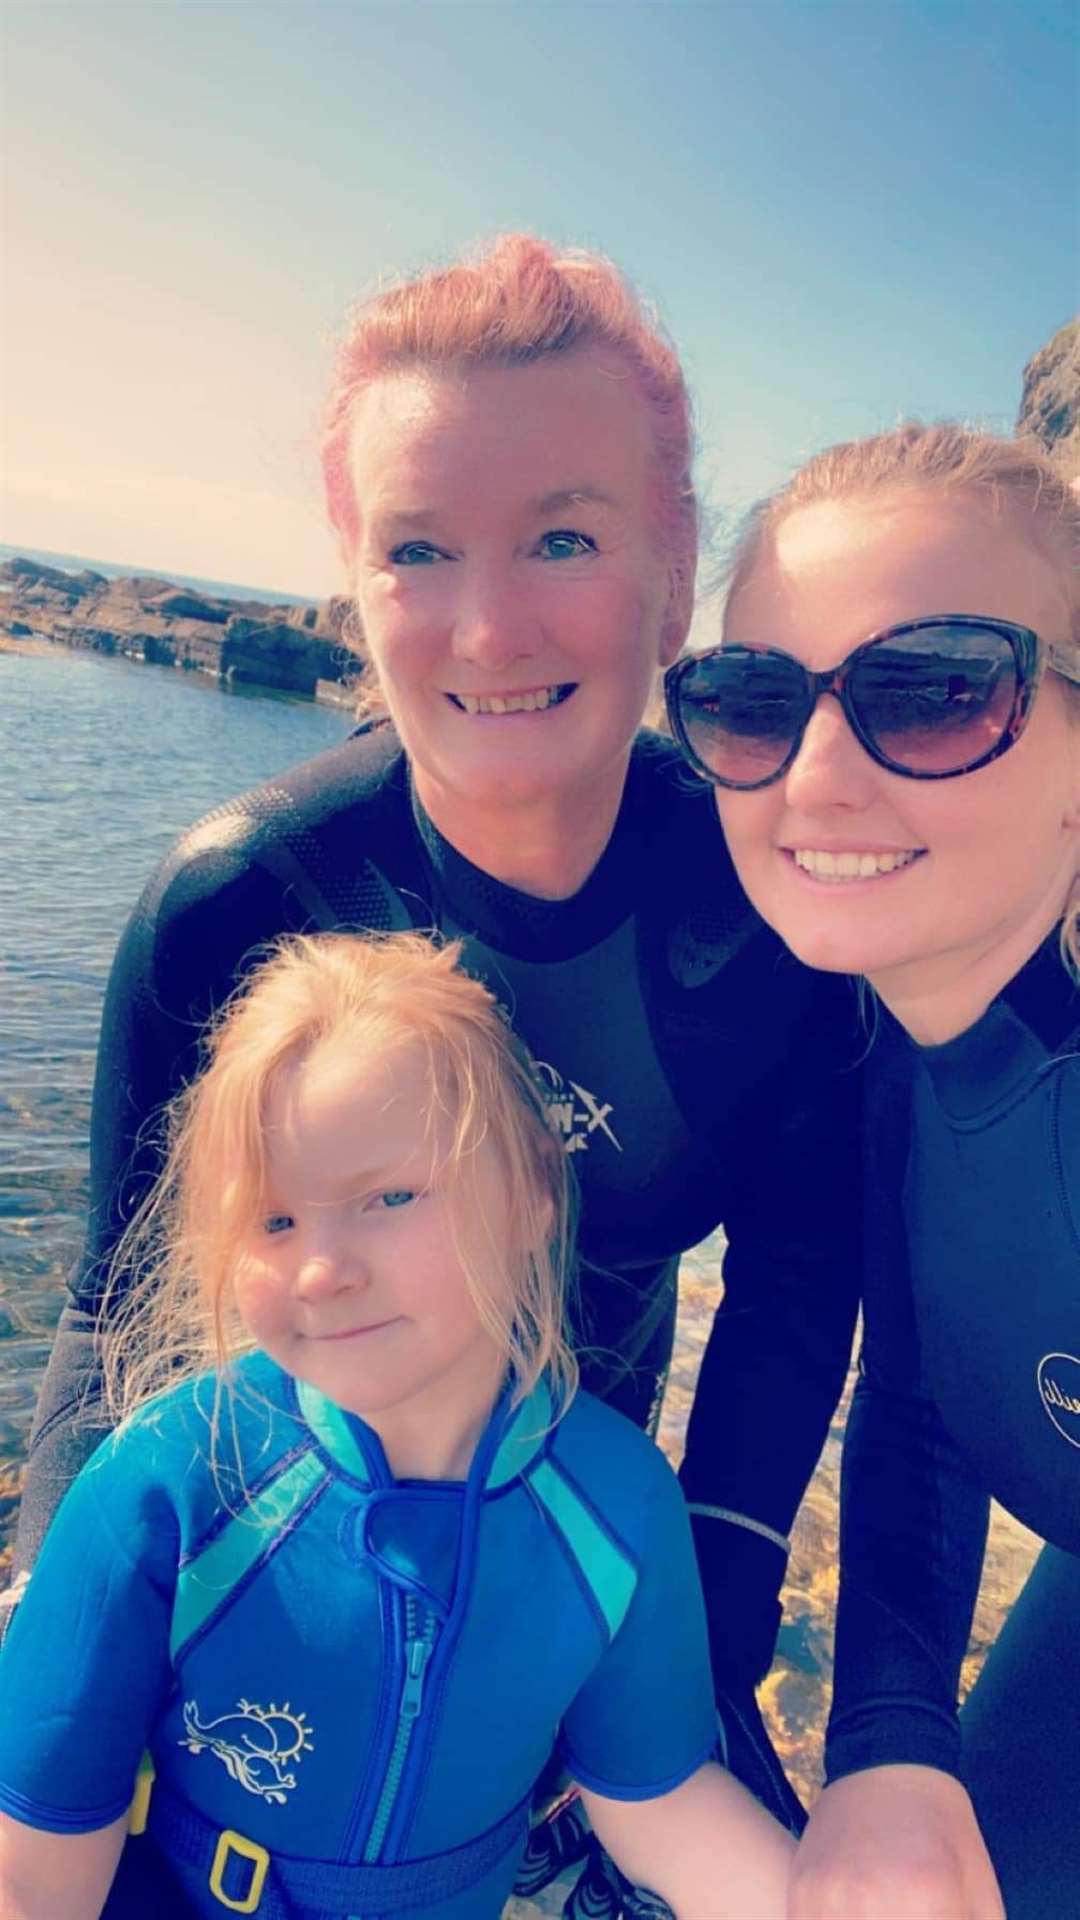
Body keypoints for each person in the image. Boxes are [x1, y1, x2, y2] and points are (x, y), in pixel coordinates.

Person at [9, 234, 865, 1907]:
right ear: (350, 579)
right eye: (417, 549)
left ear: (675, 561)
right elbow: (112, 1312)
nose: (488, 625)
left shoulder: (765, 921)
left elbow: (794, 1297)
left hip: (583, 1584)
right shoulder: (236, 898)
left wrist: (698, 1633)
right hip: (273, 1595)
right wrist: (75, 1631)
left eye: (562, 534)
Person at [0, 932, 799, 1919]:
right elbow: (36, 1872)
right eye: (275, 1220)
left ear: (531, 1195)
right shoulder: (168, 1483)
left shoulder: (618, 1503)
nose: (323, 1269)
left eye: (389, 1197)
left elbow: (659, 1802)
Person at [664, 421, 1080, 1920]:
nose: (816, 779)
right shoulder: (888, 1043)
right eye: (754, 703)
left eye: (938, 689)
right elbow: (919, 1402)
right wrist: (891, 1744)